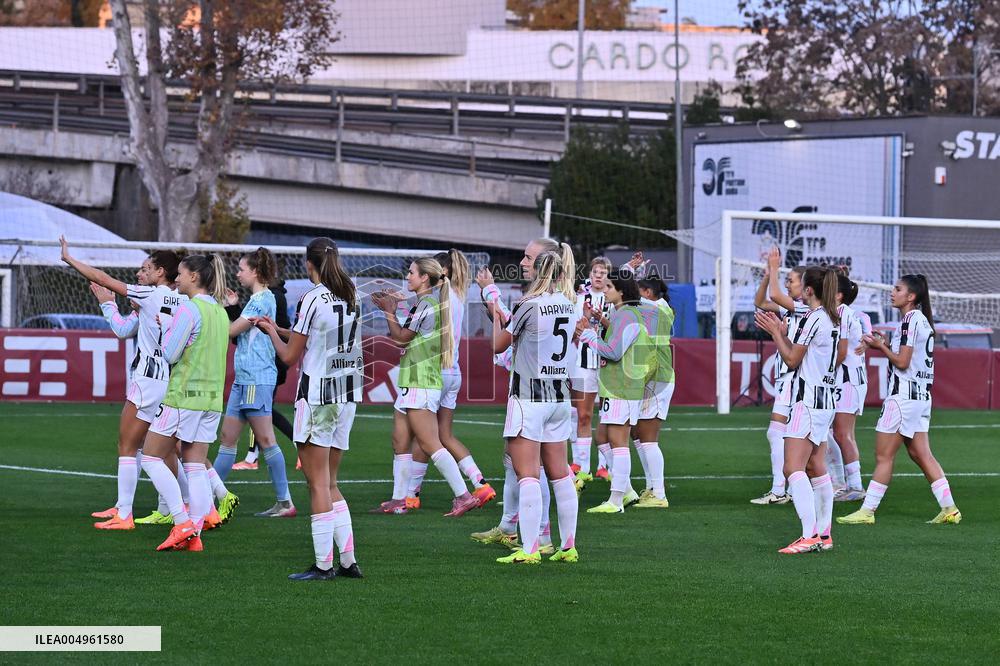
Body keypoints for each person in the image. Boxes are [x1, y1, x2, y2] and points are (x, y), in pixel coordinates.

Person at [255, 238, 364, 580]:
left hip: (318, 396)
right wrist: (279, 329)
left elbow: (290, 355)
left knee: (317, 483)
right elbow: (314, 335)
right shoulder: (351, 293)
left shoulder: (312, 297)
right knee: (330, 482)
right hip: (347, 394)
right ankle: (348, 562)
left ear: (309, 264)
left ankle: (323, 565)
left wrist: (271, 335)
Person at [59, 236, 185, 531]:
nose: (143, 273)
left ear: (161, 272)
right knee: (164, 449)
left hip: (146, 379)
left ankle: (125, 514)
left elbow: (102, 277)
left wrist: (69, 258)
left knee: (127, 445)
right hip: (170, 380)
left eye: (147, 268)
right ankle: (184, 505)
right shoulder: (183, 300)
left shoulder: (149, 295)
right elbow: (128, 328)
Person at [470, 238, 574, 553]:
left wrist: (490, 298)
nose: (522, 262)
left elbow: (499, 343)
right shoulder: (568, 301)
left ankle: (532, 547)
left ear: (542, 265)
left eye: (528, 258)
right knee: (560, 474)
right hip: (559, 397)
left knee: (527, 473)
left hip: (529, 397)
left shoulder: (529, 303)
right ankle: (567, 547)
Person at [838, 275, 961, 526]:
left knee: (884, 456)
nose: (892, 292)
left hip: (903, 398)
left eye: (898, 289)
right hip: (920, 397)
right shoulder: (922, 320)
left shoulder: (908, 321)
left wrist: (881, 347)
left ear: (911, 296)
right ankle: (950, 508)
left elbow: (902, 362)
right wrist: (882, 344)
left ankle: (867, 511)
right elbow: (907, 359)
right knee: (921, 454)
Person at [371, 257, 479, 517]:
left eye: (411, 273)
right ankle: (399, 499)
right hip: (412, 379)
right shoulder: (427, 302)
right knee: (400, 439)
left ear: (424, 278)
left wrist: (389, 309)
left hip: (422, 380)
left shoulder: (428, 304)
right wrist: (394, 305)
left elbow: (400, 338)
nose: (407, 277)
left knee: (431, 443)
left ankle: (464, 496)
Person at [139, 254, 230, 552]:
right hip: (213, 400)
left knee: (151, 457)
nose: (176, 279)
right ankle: (196, 535)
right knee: (195, 465)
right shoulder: (221, 312)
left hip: (184, 396)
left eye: (180, 274)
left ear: (194, 277)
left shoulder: (189, 311)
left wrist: (166, 326)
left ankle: (182, 522)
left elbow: (169, 354)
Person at [754, 266, 841, 554]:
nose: (797, 290)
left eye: (801, 285)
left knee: (792, 467)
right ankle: (824, 534)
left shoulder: (813, 318)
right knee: (817, 466)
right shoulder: (831, 317)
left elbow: (791, 360)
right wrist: (782, 333)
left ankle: (809, 535)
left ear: (809, 291)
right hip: (825, 400)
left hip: (807, 400)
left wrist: (776, 333)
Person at [403, 249, 495, 510]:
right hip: (454, 371)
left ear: (439, 271)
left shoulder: (438, 297)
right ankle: (480, 483)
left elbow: (416, 331)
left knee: (425, 437)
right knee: (442, 435)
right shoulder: (458, 294)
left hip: (435, 371)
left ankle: (412, 494)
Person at [210, 247, 294, 518]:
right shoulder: (254, 300)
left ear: (255, 272)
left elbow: (231, 331)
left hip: (257, 377)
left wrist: (218, 313)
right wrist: (232, 308)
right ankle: (211, 498)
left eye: (242, 269)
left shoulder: (261, 299)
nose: (238, 273)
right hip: (244, 378)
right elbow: (241, 335)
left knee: (267, 440)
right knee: (227, 440)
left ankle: (285, 503)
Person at [578, 270, 656, 514]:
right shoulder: (623, 314)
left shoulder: (627, 315)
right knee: (603, 438)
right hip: (617, 386)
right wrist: (597, 326)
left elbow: (613, 351)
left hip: (622, 387)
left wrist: (589, 336)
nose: (606, 290)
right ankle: (627, 491)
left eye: (610, 286)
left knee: (618, 442)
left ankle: (616, 499)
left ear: (621, 291)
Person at [750, 248, 808, 505]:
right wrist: (766, 275)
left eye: (791, 281)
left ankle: (783, 489)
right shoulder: (793, 310)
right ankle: (787, 489)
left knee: (783, 434)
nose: (786, 284)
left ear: (806, 287)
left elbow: (773, 296)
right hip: (789, 376)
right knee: (791, 435)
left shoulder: (804, 308)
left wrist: (774, 267)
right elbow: (761, 301)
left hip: (797, 379)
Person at [231, 275, 296, 470]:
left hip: (265, 365)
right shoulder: (270, 297)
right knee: (261, 414)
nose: (238, 274)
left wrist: (231, 310)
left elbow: (242, 330)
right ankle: (253, 457)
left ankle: (255, 457)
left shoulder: (266, 298)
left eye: (242, 269)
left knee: (261, 415)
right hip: (267, 363)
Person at [569, 256, 614, 483]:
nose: (598, 276)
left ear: (607, 276)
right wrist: (583, 323)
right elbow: (574, 332)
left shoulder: (613, 299)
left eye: (603, 272)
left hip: (608, 365)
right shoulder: (580, 299)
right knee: (584, 415)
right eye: (595, 272)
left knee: (607, 417)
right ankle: (584, 468)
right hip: (584, 364)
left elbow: (617, 331)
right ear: (590, 274)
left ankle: (604, 466)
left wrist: (601, 321)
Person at [633, 276, 674, 508]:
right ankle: (651, 486)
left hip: (658, 378)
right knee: (638, 433)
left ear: (647, 292)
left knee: (648, 438)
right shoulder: (657, 307)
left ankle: (658, 493)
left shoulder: (659, 309)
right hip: (650, 377)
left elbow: (630, 303)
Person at [828, 273, 870, 501]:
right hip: (850, 379)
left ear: (838, 295)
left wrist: (822, 372)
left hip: (847, 380)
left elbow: (842, 352)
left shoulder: (843, 313)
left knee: (843, 434)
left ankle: (854, 486)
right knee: (843, 434)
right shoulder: (844, 313)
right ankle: (848, 483)